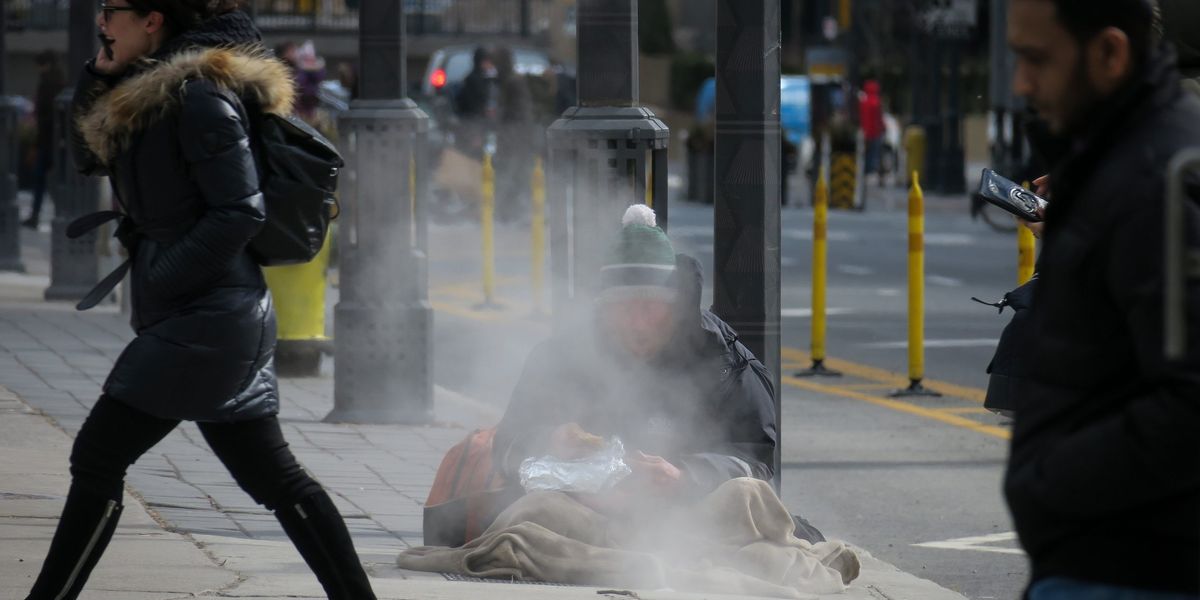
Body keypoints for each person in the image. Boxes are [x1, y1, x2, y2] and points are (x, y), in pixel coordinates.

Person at [23, 2, 376, 599]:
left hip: (211, 317)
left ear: (153, 18)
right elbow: (87, 155)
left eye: (112, 11)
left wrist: (166, 280)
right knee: (275, 477)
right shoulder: (150, 92)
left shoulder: (198, 98)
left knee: (99, 456)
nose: (102, 20)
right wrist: (99, 71)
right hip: (210, 313)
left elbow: (241, 211)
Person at [1003, 1, 1200, 599]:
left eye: (1037, 58)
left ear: (1110, 54)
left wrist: (1050, 481)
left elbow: (1191, 401)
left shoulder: (1156, 179)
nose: (1022, 82)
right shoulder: (1111, 163)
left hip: (1134, 570)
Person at [493, 204, 778, 508]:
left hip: (689, 514)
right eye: (624, 306)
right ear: (603, 307)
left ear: (677, 306)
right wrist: (550, 440)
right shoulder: (562, 355)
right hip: (585, 510)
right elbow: (506, 447)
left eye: (651, 306)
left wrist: (686, 476)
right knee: (528, 519)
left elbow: (755, 458)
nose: (638, 323)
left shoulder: (723, 360)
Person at [22, 50, 66, 230]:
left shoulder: (46, 84)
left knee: (40, 179)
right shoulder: (61, 83)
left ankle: (36, 215)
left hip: (47, 141)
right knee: (57, 181)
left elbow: (45, 118)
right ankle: (60, 214)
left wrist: (36, 144)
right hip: (58, 141)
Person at [858, 79, 885, 182]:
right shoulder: (876, 101)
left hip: (865, 132)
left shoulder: (863, 101)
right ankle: (871, 171)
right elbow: (879, 118)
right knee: (875, 153)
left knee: (866, 153)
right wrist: (883, 128)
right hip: (875, 132)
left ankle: (865, 170)